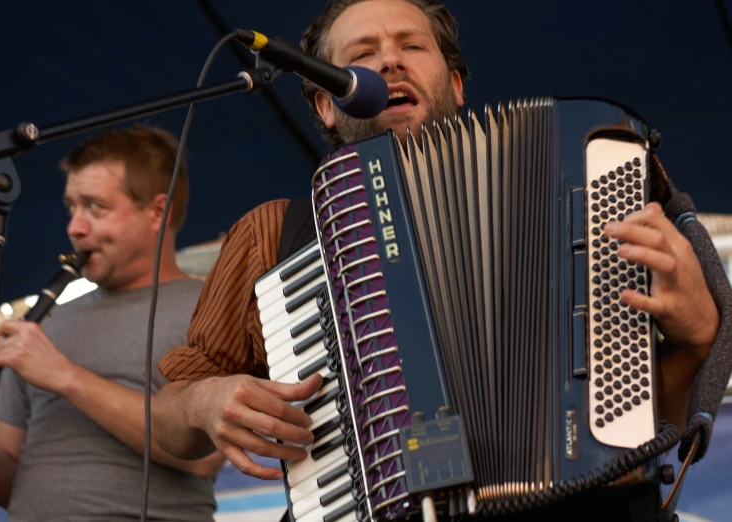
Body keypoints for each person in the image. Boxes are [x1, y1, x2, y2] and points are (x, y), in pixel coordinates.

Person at [151, 0, 720, 517]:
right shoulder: (272, 234)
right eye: (362, 54)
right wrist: (203, 401)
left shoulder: (576, 183)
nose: (390, 62)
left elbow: (645, 433)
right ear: (325, 104)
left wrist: (696, 339)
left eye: (411, 45)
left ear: (452, 83)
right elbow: (169, 423)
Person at [0, 125, 225, 521]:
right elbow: (7, 475)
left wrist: (64, 375)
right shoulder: (46, 323)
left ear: (157, 213)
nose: (74, 227)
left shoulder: (207, 309)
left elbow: (206, 457)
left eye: (95, 207)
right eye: (71, 207)